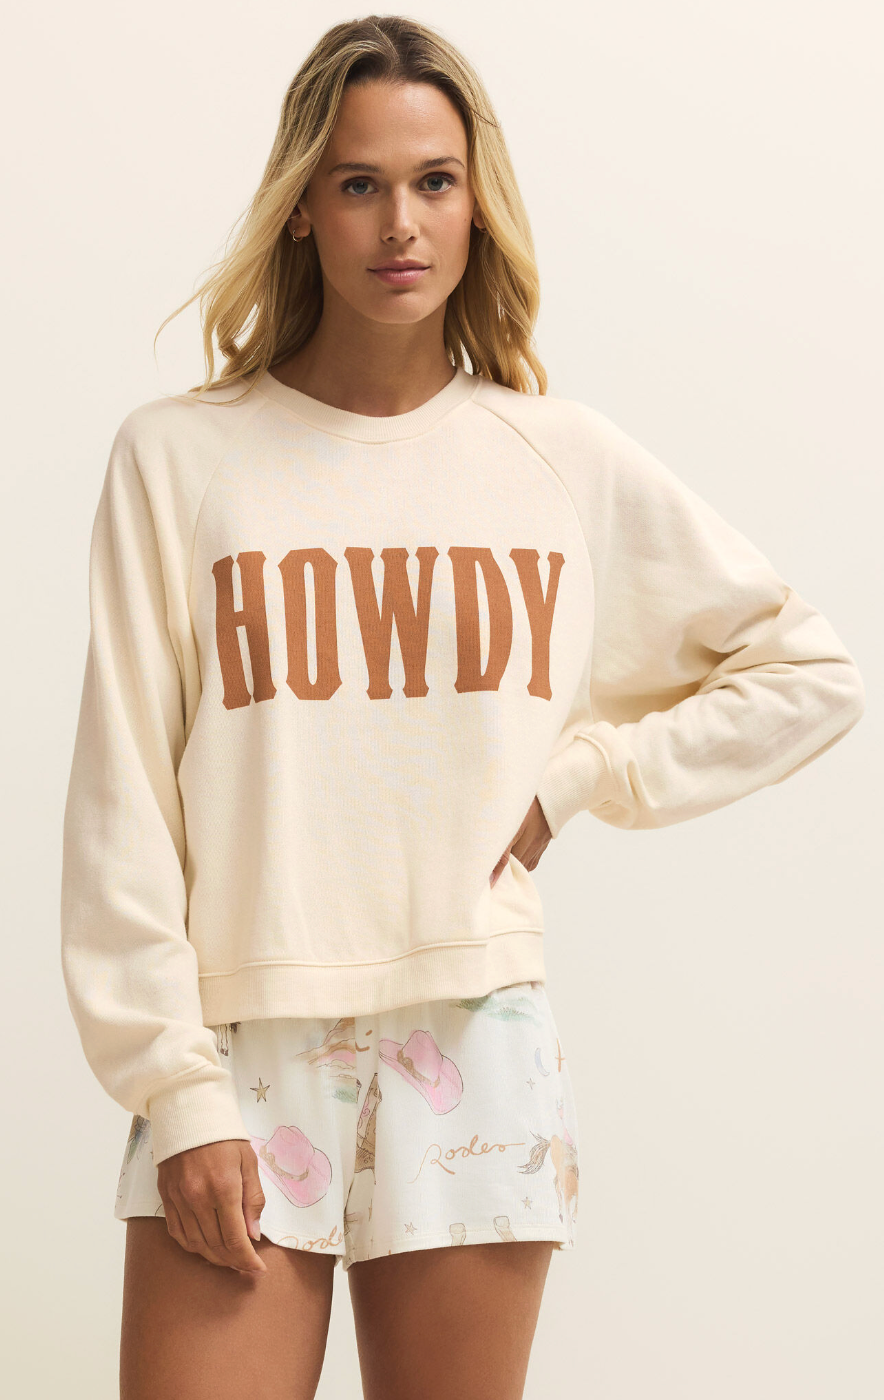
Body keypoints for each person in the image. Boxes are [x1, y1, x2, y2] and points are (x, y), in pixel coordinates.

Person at [59, 14, 865, 1400]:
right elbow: (121, 798)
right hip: (239, 1044)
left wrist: (586, 776)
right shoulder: (181, 460)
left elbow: (810, 673)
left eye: (435, 181)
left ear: (477, 201)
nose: (401, 223)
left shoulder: (555, 460)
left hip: (475, 1037)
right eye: (359, 183)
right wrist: (174, 1089)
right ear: (301, 206)